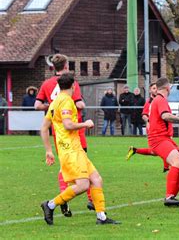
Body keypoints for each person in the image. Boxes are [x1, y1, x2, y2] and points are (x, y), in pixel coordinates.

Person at [39, 73, 120, 225]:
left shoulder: (54, 102)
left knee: (96, 179)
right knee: (83, 185)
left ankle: (101, 217)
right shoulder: (67, 102)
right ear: (74, 86)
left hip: (74, 149)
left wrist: (48, 150)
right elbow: (68, 125)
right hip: (70, 150)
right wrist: (86, 124)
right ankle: (50, 205)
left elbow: (44, 128)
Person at [34, 53, 93, 216]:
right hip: (74, 131)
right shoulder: (71, 83)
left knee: (64, 167)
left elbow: (37, 105)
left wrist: (52, 106)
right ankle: (91, 199)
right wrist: (80, 105)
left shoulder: (46, 84)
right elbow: (79, 102)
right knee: (85, 165)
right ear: (66, 66)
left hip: (57, 132)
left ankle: (63, 200)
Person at [146, 78, 179, 206]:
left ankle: (173, 197)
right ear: (168, 88)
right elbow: (165, 116)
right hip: (158, 139)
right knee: (177, 162)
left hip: (164, 138)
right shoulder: (160, 99)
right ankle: (169, 197)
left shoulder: (159, 100)